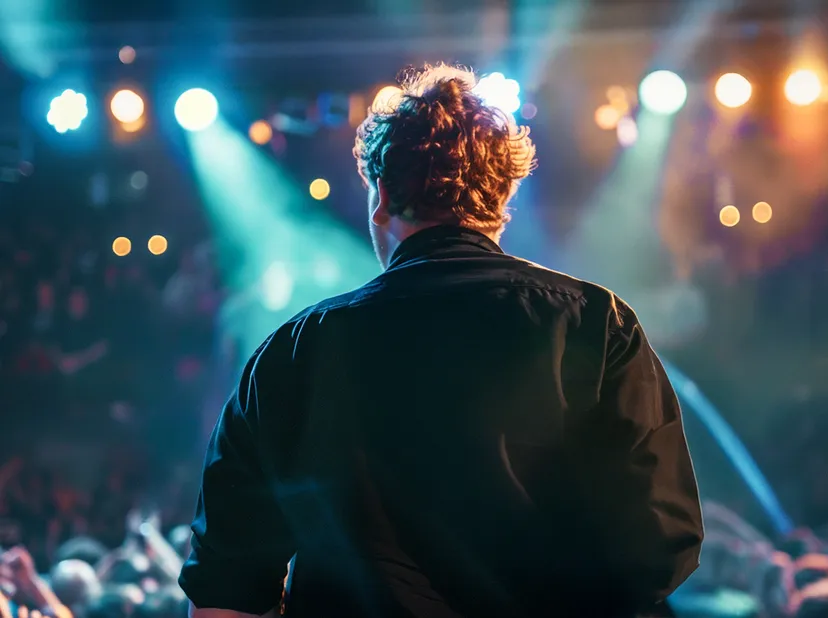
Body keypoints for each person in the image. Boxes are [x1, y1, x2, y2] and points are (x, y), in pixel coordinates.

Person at [179, 63, 704, 618]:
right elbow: (658, 545)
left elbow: (225, 588)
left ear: (379, 195)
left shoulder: (295, 351)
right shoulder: (594, 324)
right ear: (502, 200)